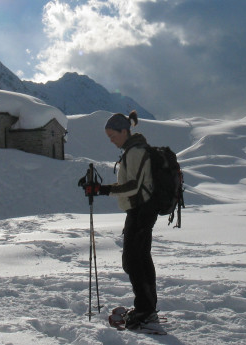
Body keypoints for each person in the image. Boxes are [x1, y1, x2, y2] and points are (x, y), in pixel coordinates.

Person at [95, 111, 160, 329]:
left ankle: (145, 311)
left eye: (113, 135)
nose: (111, 140)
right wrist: (101, 189)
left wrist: (103, 190)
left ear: (124, 131)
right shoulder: (133, 150)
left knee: (133, 260)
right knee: (140, 258)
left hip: (141, 211)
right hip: (141, 211)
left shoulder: (135, 152)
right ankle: (148, 308)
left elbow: (133, 186)